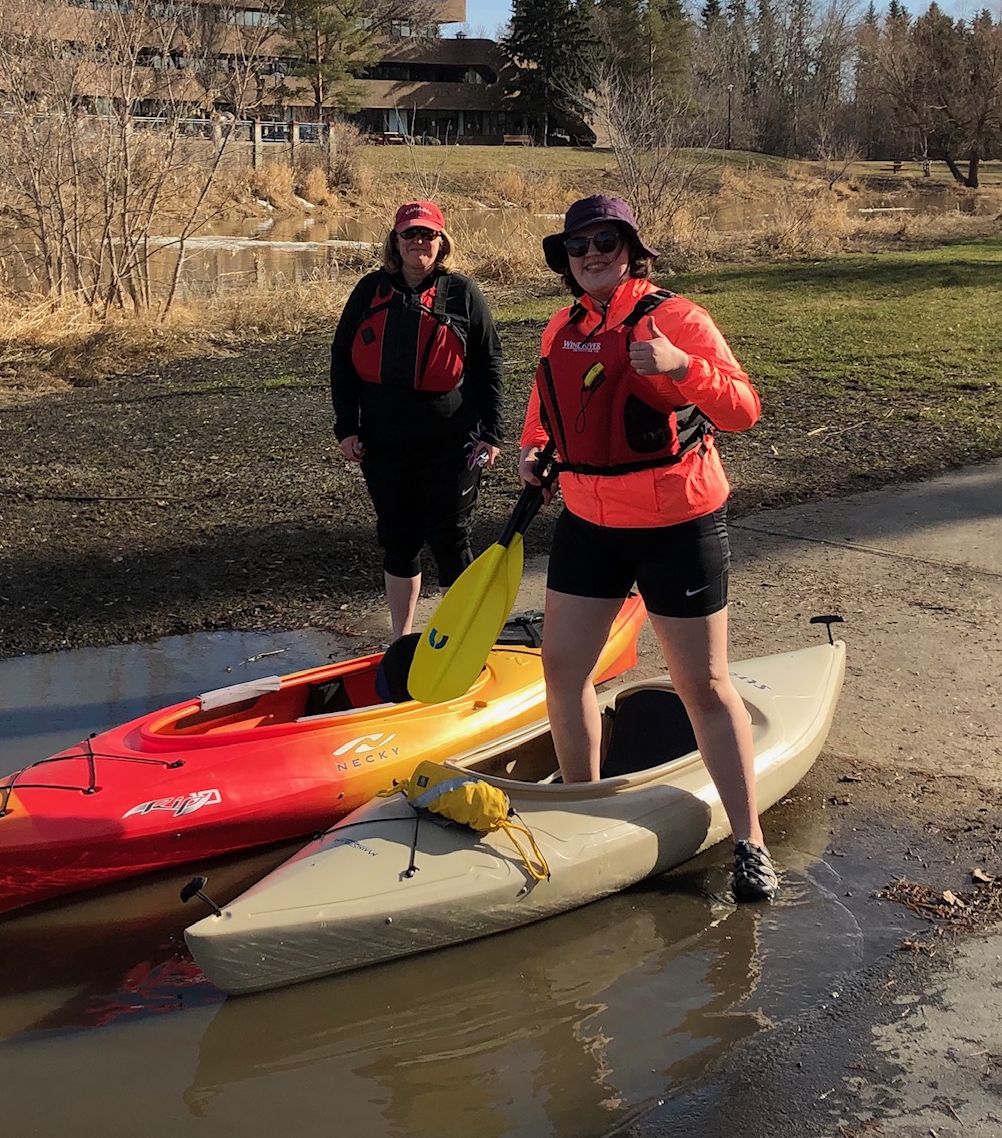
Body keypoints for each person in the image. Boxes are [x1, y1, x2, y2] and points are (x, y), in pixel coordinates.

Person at [518, 194, 778, 902]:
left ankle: (750, 841)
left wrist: (681, 365)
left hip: (677, 522)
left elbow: (743, 409)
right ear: (567, 260)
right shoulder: (560, 328)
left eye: (606, 241)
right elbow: (546, 411)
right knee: (563, 669)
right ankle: (582, 809)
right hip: (588, 524)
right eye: (578, 246)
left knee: (704, 684)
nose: (591, 254)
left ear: (631, 250)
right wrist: (535, 451)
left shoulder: (679, 318)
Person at [331, 200, 505, 639]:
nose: (418, 242)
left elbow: (490, 364)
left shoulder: (463, 292)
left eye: (428, 234)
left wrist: (493, 433)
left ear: (441, 242)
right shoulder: (370, 290)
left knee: (451, 539)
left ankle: (459, 640)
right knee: (398, 539)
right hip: (383, 443)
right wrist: (346, 427)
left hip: (452, 443)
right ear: (396, 241)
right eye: (409, 234)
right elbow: (342, 361)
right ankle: (402, 638)